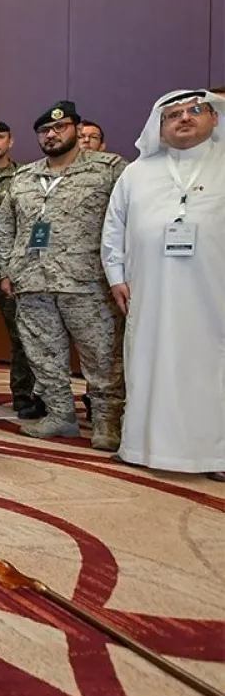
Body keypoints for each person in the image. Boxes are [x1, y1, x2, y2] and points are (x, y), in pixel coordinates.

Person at [103, 89, 225, 480]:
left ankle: (214, 454)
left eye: (194, 111)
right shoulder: (136, 172)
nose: (184, 119)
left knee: (211, 366)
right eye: (173, 115)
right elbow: (114, 228)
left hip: (213, 292)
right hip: (148, 290)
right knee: (146, 361)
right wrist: (116, 276)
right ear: (160, 127)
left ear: (214, 119)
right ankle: (140, 445)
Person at [0, 100, 126, 450]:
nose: (51, 135)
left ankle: (106, 422)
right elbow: (7, 225)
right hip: (32, 281)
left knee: (102, 356)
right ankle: (59, 415)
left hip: (87, 281)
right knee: (42, 353)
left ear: (77, 129)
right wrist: (7, 269)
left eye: (59, 127)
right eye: (44, 131)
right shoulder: (24, 177)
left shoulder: (108, 169)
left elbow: (123, 222)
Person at [0, 120, 40, 419]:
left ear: (10, 142)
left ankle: (25, 396)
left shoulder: (26, 177)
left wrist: (10, 269)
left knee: (21, 335)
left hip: (10, 269)